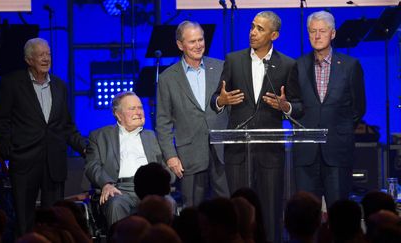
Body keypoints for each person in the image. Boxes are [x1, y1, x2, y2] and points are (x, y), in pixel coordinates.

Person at [211, 11, 301, 243]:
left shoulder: (288, 65)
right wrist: (222, 101)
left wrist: (286, 106)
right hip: (238, 150)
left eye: (260, 29)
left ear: (274, 35)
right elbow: (215, 99)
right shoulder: (233, 60)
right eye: (252, 27)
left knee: (270, 210)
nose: (252, 32)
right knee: (238, 210)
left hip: (270, 151)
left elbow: (299, 106)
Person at [0, 37, 87, 236]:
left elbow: (67, 126)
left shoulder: (60, 86)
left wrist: (84, 147)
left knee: (54, 220)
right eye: (41, 55)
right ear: (29, 60)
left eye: (48, 54)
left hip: (54, 161)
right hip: (24, 161)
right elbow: (2, 120)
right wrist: (9, 149)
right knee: (24, 221)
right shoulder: (12, 83)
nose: (46, 59)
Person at [286, 10, 366, 208]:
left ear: (333, 33)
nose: (317, 36)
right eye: (313, 31)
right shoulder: (297, 65)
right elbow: (294, 104)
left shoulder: (350, 65)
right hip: (306, 151)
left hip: (337, 150)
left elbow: (358, 108)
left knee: (339, 212)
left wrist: (340, 128)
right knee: (305, 213)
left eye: (322, 31)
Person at [156, 20, 230, 207]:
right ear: (180, 45)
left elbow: (233, 108)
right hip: (189, 154)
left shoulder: (222, 68)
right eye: (192, 41)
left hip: (222, 152)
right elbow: (163, 122)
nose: (198, 45)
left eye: (201, 40)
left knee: (226, 208)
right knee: (192, 211)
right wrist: (171, 156)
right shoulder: (167, 78)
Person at [84, 91, 175, 226]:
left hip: (150, 188)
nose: (138, 112)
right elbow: (92, 166)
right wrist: (106, 184)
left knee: (168, 202)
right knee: (116, 204)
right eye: (132, 108)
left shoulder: (153, 136)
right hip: (118, 188)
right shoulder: (100, 136)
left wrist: (164, 181)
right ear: (118, 114)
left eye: (140, 108)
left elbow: (166, 166)